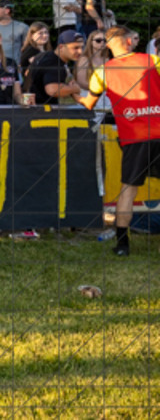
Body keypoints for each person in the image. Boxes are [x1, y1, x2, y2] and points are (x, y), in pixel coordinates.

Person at [78, 26, 160, 256]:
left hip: (134, 136)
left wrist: (74, 95)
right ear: (127, 42)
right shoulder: (152, 60)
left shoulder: (103, 71)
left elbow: (88, 104)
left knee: (128, 190)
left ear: (109, 44)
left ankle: (123, 244)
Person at [25, 29, 84, 106]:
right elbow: (53, 90)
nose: (80, 52)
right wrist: (75, 89)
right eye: (75, 48)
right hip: (41, 111)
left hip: (30, 107)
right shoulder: (54, 62)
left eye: (81, 47)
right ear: (61, 47)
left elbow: (27, 73)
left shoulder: (46, 55)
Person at [74, 29, 110, 111]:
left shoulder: (107, 58)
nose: (102, 43)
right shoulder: (84, 59)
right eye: (98, 40)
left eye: (105, 40)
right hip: (88, 95)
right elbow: (81, 82)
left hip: (105, 97)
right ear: (91, 42)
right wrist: (100, 88)